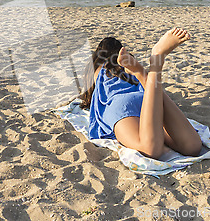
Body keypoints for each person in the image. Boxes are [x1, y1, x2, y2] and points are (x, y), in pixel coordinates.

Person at [80, 28, 202, 160]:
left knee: (150, 149)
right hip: (146, 98)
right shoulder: (125, 63)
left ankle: (156, 63)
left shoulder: (95, 67)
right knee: (192, 147)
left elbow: (89, 97)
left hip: (119, 103)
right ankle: (144, 75)